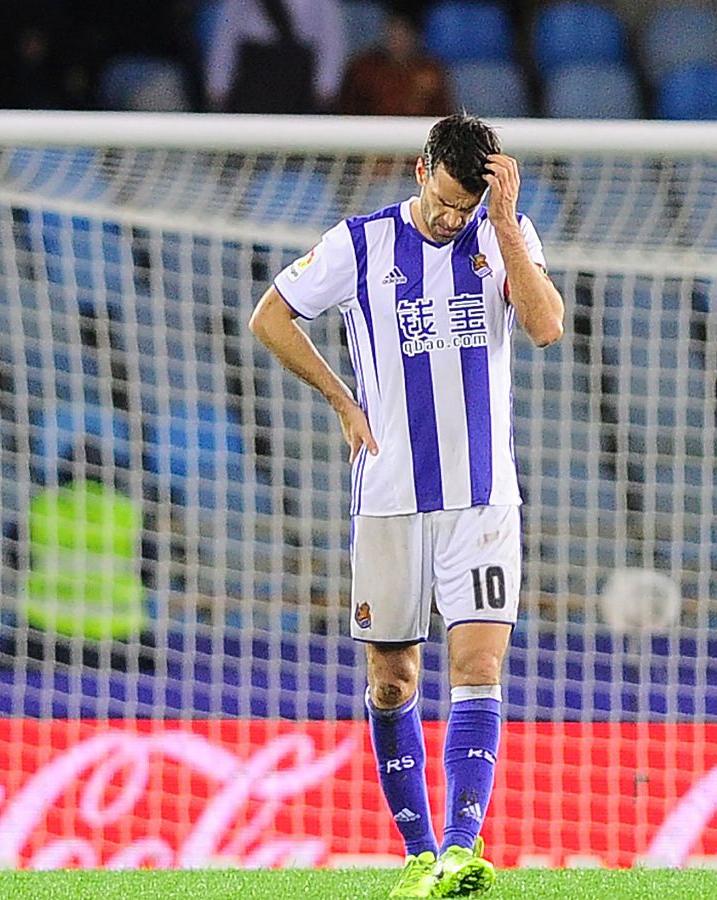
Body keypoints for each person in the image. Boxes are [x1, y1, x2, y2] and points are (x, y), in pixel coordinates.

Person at [248, 115, 564, 897]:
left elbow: (546, 326)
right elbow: (270, 316)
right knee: (392, 679)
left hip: (482, 498)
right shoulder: (360, 245)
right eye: (447, 200)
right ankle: (419, 851)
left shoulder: (503, 235)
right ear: (422, 171)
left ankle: (460, 848)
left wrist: (500, 224)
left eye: (467, 205)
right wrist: (342, 400)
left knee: (478, 667)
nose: (453, 218)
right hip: (390, 498)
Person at [206, 0, 344, 113]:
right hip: (256, 69)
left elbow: (330, 34)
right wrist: (218, 82)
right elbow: (227, 32)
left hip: (299, 70)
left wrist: (326, 82)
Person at [337, 11, 454, 117]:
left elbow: (442, 118)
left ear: (414, 36)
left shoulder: (430, 72)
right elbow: (346, 114)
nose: (397, 40)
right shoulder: (363, 69)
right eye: (393, 32)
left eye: (403, 33)